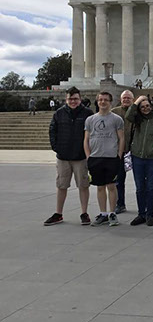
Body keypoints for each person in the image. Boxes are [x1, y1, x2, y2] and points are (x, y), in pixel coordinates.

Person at [45, 87, 93, 226]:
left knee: (83, 185)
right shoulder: (59, 113)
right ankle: (58, 213)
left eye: (75, 99)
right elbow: (52, 130)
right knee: (61, 185)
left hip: (80, 156)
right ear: (66, 100)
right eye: (70, 99)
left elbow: (92, 134)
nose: (73, 101)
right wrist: (57, 147)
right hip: (63, 156)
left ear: (80, 99)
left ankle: (84, 213)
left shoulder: (87, 113)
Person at [126, 95, 153, 226]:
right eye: (142, 107)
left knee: (150, 187)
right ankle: (141, 214)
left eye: (147, 106)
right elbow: (128, 115)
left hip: (152, 158)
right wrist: (137, 101)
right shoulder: (137, 119)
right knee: (139, 188)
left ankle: (150, 215)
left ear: (151, 106)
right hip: (137, 156)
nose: (145, 109)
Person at [84, 92, 124, 227]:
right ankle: (103, 213)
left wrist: (119, 155)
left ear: (110, 102)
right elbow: (86, 139)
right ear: (97, 102)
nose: (103, 102)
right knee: (100, 187)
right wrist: (88, 156)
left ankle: (112, 213)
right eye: (100, 100)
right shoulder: (90, 119)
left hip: (111, 157)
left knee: (111, 186)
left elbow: (121, 138)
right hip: (95, 157)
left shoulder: (117, 119)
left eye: (106, 100)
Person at [111, 90, 135, 214]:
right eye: (124, 98)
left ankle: (145, 205)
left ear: (133, 100)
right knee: (119, 180)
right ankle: (120, 204)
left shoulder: (137, 112)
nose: (126, 100)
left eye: (128, 98)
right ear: (121, 99)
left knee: (141, 180)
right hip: (119, 151)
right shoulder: (114, 112)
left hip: (135, 150)